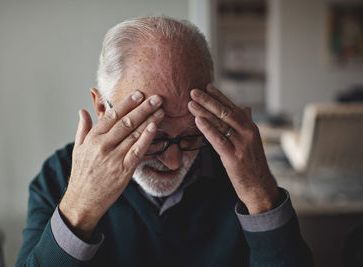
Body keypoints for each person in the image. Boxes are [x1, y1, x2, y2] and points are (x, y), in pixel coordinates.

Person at [16, 15, 313, 267]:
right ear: (102, 108)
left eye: (190, 135)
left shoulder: (240, 168)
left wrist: (261, 198)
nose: (174, 162)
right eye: (153, 138)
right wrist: (80, 209)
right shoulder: (56, 177)